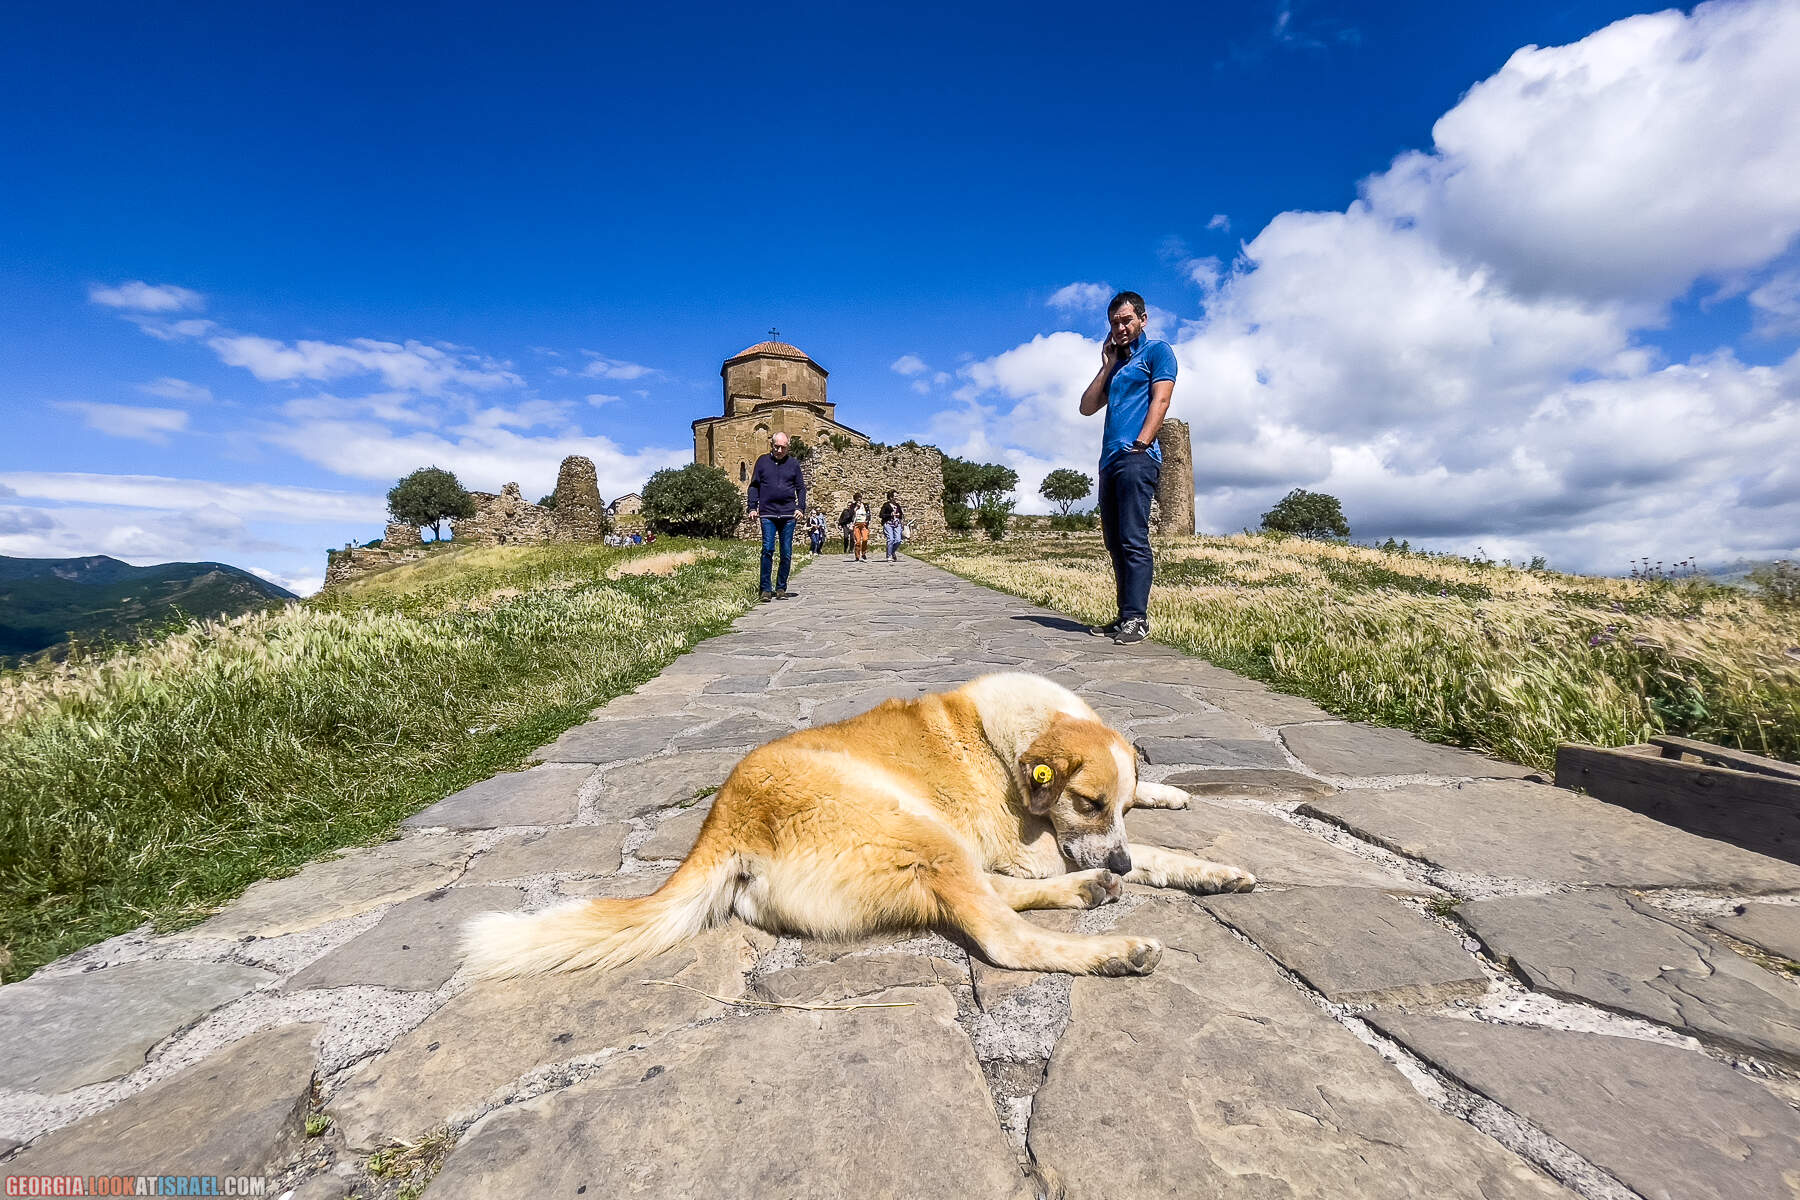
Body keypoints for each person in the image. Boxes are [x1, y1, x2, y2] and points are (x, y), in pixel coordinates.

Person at [1078, 291, 1175, 645]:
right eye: (1115, 323)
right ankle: (1123, 617)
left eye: (1126, 320)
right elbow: (1087, 407)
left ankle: (1138, 619)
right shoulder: (1116, 365)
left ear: (1143, 319)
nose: (1120, 327)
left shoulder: (1157, 352)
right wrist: (1106, 365)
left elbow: (1162, 398)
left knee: (1133, 538)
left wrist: (1143, 443)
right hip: (1109, 462)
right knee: (1115, 542)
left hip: (1137, 457)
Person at [747, 432, 807, 601]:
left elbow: (801, 488)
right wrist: (752, 507)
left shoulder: (794, 464)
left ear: (788, 447)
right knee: (767, 549)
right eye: (776, 446)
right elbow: (754, 486)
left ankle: (781, 588)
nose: (779, 450)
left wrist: (800, 507)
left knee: (786, 552)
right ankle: (765, 589)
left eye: (783, 447)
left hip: (788, 514)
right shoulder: (762, 462)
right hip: (767, 513)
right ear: (771, 445)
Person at [879, 490, 906, 562]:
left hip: (897, 524)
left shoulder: (897, 505)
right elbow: (881, 515)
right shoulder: (886, 505)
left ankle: (892, 551)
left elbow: (901, 515)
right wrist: (890, 515)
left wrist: (899, 515)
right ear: (891, 497)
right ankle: (889, 555)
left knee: (898, 540)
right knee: (890, 539)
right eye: (895, 496)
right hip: (888, 524)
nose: (897, 498)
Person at [850, 492, 871, 561]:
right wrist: (856, 508)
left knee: (865, 539)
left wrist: (867, 521)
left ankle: (864, 553)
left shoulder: (865, 506)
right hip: (856, 524)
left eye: (860, 499)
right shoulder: (852, 506)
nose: (859, 500)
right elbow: (850, 514)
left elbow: (868, 514)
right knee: (858, 541)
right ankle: (857, 555)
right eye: (857, 499)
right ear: (855, 500)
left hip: (864, 524)